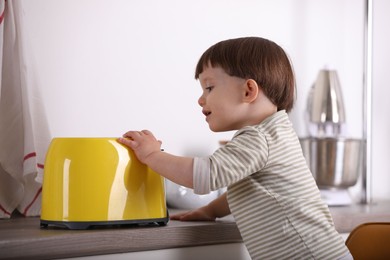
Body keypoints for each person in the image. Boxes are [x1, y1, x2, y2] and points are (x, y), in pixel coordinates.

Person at [118, 37, 353, 260]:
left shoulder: (259, 137)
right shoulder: (273, 132)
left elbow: (204, 174)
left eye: (209, 88)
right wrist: (212, 210)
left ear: (248, 91)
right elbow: (248, 188)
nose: (201, 99)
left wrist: (151, 155)